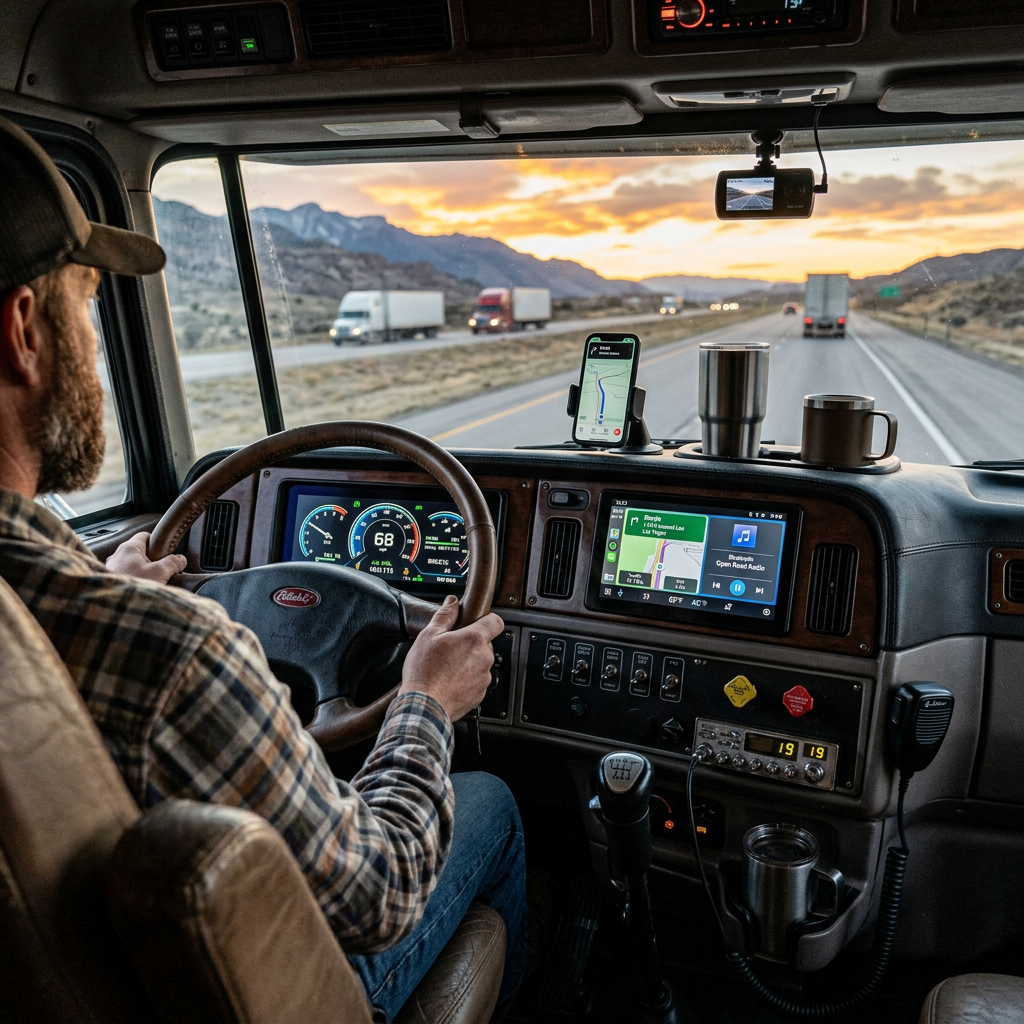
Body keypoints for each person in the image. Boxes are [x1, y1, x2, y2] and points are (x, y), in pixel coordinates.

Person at [0, 115, 526, 1020]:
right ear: (24, 330)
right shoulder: (177, 656)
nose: (90, 335)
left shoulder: (56, 610)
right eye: (86, 303)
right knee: (491, 801)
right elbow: (377, 892)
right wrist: (425, 704)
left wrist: (108, 585)